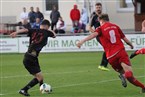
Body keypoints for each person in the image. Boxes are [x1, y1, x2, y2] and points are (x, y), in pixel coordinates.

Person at [77, 14, 145, 93]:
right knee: (129, 75)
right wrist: (131, 45)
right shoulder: (116, 26)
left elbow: (93, 35)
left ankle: (125, 76)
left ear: (101, 20)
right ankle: (141, 86)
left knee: (124, 73)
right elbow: (125, 39)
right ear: (108, 19)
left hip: (110, 57)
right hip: (120, 52)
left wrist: (82, 41)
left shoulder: (100, 28)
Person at [10, 19, 56, 96]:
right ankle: (23, 90)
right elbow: (54, 35)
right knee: (40, 77)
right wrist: (50, 30)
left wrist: (16, 32)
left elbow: (25, 30)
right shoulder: (47, 32)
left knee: (40, 75)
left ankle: (42, 88)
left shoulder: (34, 30)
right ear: (47, 26)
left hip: (30, 57)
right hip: (30, 58)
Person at [89, 2, 109, 71]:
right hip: (99, 36)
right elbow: (89, 27)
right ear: (95, 8)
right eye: (97, 8)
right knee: (108, 48)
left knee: (109, 48)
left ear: (101, 8)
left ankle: (103, 65)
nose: (98, 9)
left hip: (106, 35)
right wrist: (94, 33)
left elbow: (108, 24)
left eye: (99, 7)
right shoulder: (94, 17)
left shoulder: (104, 16)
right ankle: (103, 65)